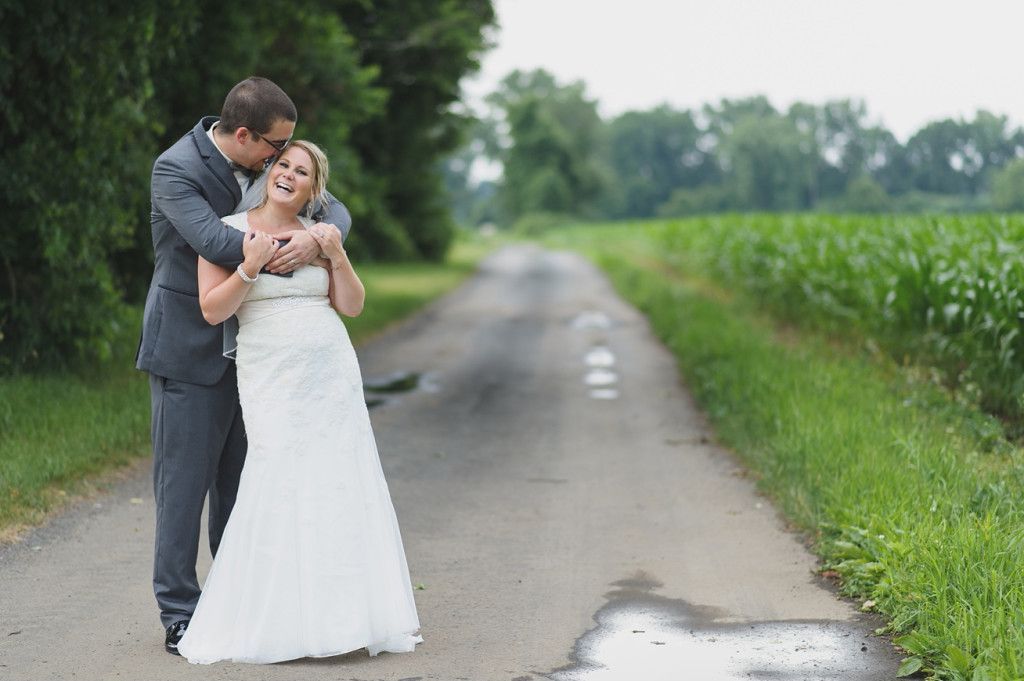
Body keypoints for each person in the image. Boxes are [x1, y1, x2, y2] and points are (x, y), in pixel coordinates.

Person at [176, 141, 421, 664]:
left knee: (336, 479)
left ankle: (342, 618)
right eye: (283, 164)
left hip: (330, 372)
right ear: (268, 170)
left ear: (314, 187)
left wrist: (335, 253)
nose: (289, 175)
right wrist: (249, 267)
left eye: (302, 171)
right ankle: (274, 621)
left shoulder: (321, 234)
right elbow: (213, 311)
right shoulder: (227, 228)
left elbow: (351, 306)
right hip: (270, 372)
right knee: (278, 476)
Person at [136, 76, 352, 654]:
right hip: (190, 343)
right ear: (244, 136)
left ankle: (239, 603)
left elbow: (336, 210)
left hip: (263, 355)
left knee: (242, 487)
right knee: (182, 487)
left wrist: (321, 239)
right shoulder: (176, 168)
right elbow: (215, 239)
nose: (282, 158)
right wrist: (297, 247)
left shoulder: (266, 161)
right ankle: (179, 611)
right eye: (275, 147)